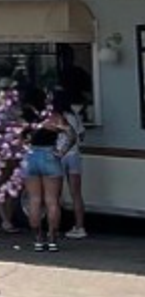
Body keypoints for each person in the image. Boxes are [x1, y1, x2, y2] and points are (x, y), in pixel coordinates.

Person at [19, 98, 67, 253]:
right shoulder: (55, 117)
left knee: (34, 200)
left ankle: (38, 239)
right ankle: (52, 239)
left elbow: (17, 138)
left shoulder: (26, 118)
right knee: (52, 200)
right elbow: (72, 134)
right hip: (49, 154)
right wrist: (62, 151)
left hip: (31, 156)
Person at [56, 91, 88, 240]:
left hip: (60, 155)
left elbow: (70, 136)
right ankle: (80, 226)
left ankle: (54, 226)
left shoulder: (58, 117)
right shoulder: (75, 116)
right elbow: (81, 134)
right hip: (75, 156)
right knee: (76, 194)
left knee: (55, 193)